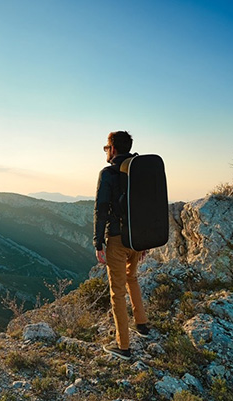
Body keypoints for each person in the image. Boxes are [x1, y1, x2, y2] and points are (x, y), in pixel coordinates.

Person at [93, 130, 150, 361]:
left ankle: (123, 346)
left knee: (117, 292)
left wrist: (98, 243)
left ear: (113, 148)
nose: (106, 152)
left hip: (117, 240)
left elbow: (101, 209)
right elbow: (147, 204)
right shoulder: (140, 171)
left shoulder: (107, 173)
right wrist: (145, 240)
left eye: (107, 148)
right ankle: (142, 325)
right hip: (137, 238)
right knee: (132, 278)